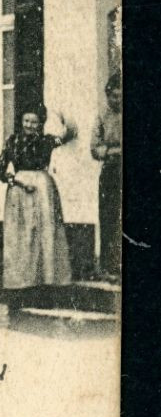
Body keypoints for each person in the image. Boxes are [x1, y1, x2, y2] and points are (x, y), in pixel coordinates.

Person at [0, 104, 78, 306]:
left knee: (45, 233)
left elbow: (68, 134)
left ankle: (47, 281)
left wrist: (64, 114)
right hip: (19, 193)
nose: (30, 125)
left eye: (34, 121)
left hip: (43, 190)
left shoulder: (47, 141)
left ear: (40, 123)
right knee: (22, 236)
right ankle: (24, 283)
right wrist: (16, 181)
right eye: (26, 121)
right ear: (21, 121)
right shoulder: (12, 142)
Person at [91, 75, 122, 281]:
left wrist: (110, 149)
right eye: (113, 97)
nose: (117, 101)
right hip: (111, 170)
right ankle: (108, 266)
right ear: (107, 95)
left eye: (120, 97)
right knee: (108, 216)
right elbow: (95, 148)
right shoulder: (102, 116)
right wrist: (112, 151)